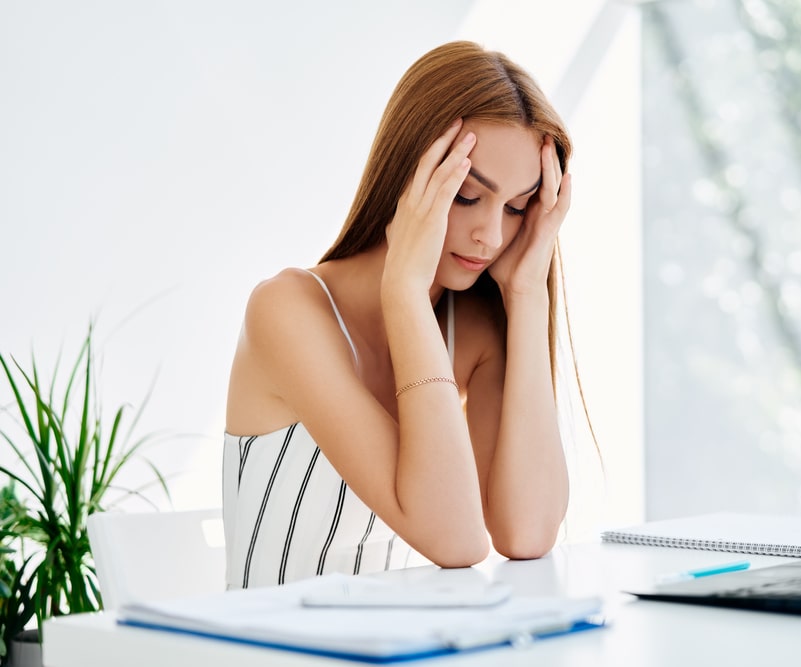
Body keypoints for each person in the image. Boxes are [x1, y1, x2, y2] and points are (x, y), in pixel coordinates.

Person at [222, 40, 573, 589]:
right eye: (465, 196)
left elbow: (526, 533)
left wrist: (528, 293)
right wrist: (405, 291)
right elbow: (457, 541)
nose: (493, 234)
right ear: (407, 175)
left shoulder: (473, 330)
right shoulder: (287, 311)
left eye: (516, 207)